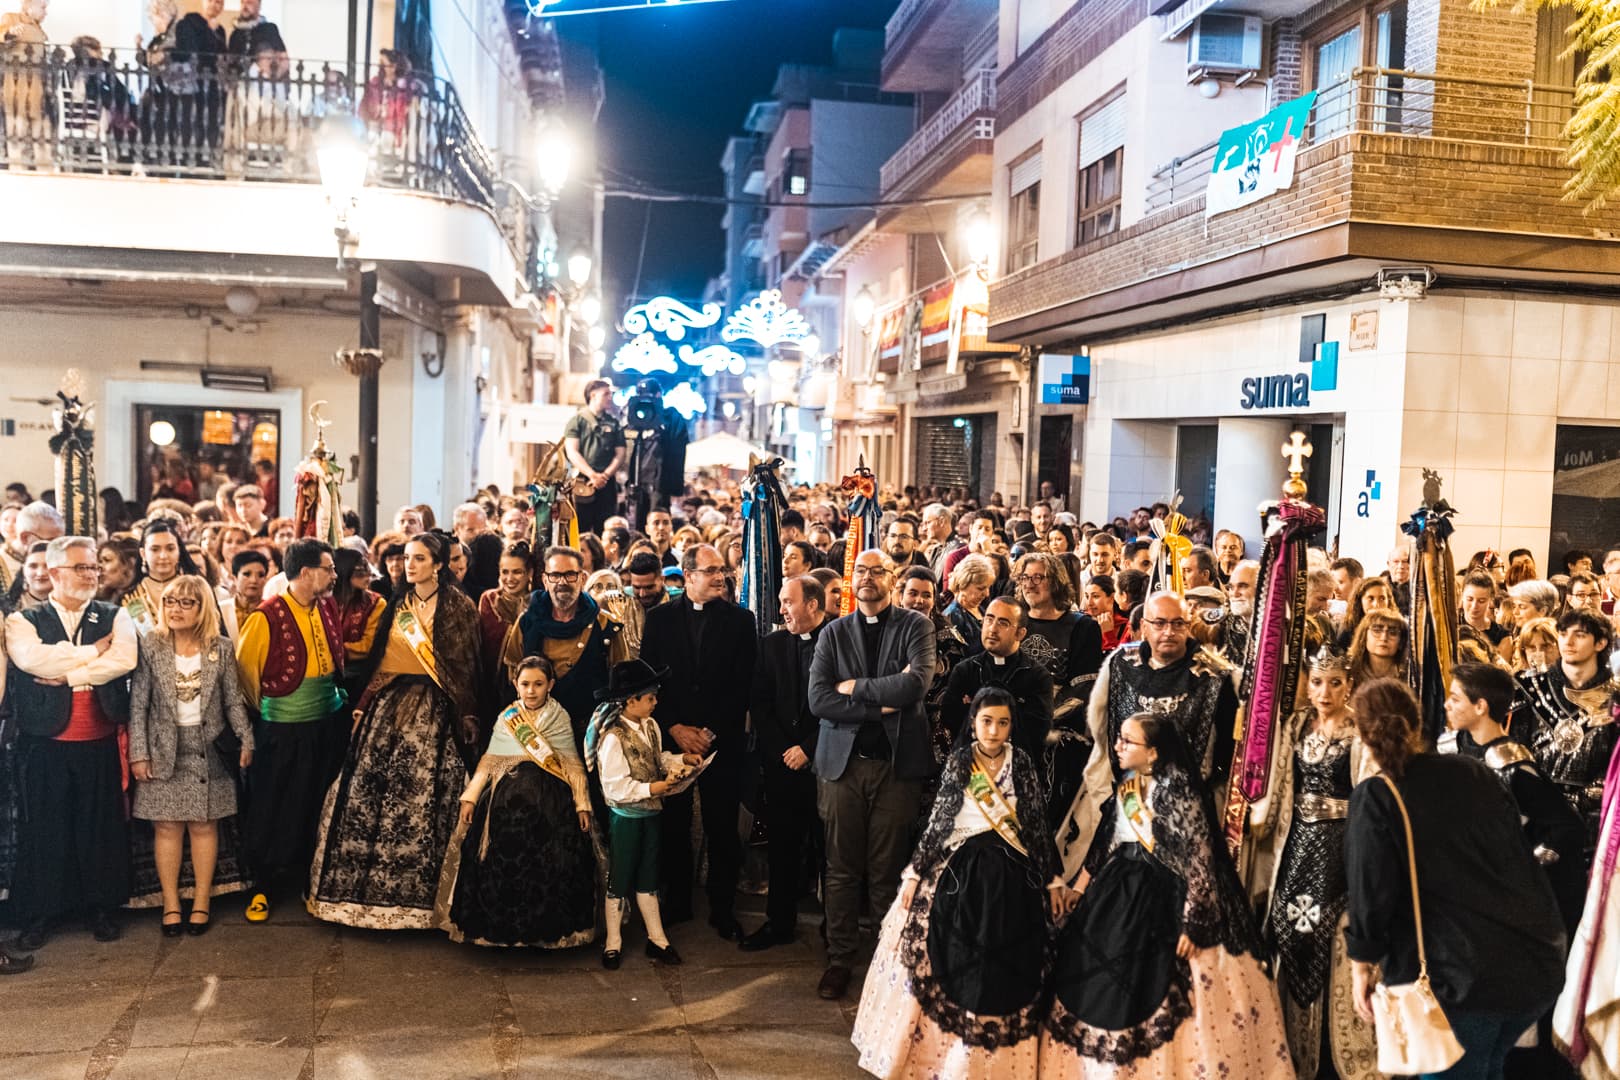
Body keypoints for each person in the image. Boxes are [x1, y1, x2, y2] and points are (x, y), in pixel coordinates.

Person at [1040, 712, 1291, 1078]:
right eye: (1119, 738)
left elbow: (1200, 861)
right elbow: (1105, 842)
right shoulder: (1129, 782)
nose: (1118, 746)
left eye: (1128, 741)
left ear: (1153, 752)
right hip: (1117, 889)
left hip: (1164, 897)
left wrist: (1193, 925)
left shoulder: (1179, 790)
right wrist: (1079, 888)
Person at [1345, 678, 1567, 1079]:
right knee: (1488, 1068)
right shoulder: (1473, 771)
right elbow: (1516, 854)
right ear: (1417, 723)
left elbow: (1370, 891)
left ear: (1361, 735)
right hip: (1532, 962)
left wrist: (1362, 964)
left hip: (1457, 981)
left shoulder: (1377, 796)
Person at [853, 688, 1065, 1079]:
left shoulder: (1020, 761)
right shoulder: (961, 761)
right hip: (959, 868)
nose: (994, 730)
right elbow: (940, 819)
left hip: (1012, 873)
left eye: (1003, 723)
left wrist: (1052, 879)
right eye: (987, 721)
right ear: (973, 723)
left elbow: (1035, 820)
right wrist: (914, 875)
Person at [307, 533, 480, 930]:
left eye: (419, 558)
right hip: (389, 704)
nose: (409, 565)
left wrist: (467, 713)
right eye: (407, 558)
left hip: (436, 709)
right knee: (368, 793)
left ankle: (426, 900)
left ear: (439, 564)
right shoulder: (398, 604)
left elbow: (466, 666)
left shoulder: (458, 606)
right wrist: (364, 703)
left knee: (425, 797)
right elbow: (382, 659)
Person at [807, 548, 936, 1001]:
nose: (866, 578)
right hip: (842, 768)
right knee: (840, 869)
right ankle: (840, 958)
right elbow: (819, 699)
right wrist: (879, 705)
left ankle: (887, 960)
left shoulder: (916, 626)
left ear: (892, 579)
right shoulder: (833, 632)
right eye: (860, 570)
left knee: (887, 871)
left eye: (876, 571)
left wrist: (855, 689)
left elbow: (916, 684)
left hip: (896, 768)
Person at [7, 536, 139, 951]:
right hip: (45, 740)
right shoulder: (23, 620)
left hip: (99, 737)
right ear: (54, 572)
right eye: (82, 567)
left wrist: (71, 675)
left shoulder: (115, 615)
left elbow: (124, 660)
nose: (91, 574)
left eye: (94, 567)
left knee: (98, 825)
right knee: (47, 827)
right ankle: (42, 912)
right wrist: (91, 652)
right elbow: (32, 660)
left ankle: (100, 907)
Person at [1252, 646, 1378, 1079]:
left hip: (1341, 844)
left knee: (1335, 933)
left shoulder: (1361, 730)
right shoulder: (1295, 725)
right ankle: (1294, 1051)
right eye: (1318, 682)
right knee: (1289, 927)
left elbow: (1368, 793)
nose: (1325, 692)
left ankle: (1338, 1055)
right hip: (1298, 843)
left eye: (1335, 683)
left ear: (1350, 686)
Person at [1060, 591, 1239, 878]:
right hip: (1125, 797)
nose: (1169, 631)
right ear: (1144, 626)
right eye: (1160, 623)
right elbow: (1102, 726)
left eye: (1178, 623)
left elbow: (1227, 749)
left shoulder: (1215, 675)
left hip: (1186, 810)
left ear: (1189, 625)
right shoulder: (1121, 662)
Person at [436, 656, 597, 948]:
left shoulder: (559, 717)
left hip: (551, 797)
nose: (531, 691)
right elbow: (489, 761)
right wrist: (470, 797)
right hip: (504, 795)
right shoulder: (507, 717)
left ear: (551, 685)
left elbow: (572, 763)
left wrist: (582, 804)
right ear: (515, 684)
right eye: (525, 684)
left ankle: (543, 928)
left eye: (538, 684)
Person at [637, 543, 757, 937]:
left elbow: (743, 684)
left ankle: (723, 909)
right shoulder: (659, 619)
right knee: (673, 824)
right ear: (688, 576)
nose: (720, 577)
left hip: (720, 741)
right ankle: (678, 903)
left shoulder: (741, 621)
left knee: (722, 827)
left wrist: (709, 733)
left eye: (722, 570)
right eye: (710, 571)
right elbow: (650, 680)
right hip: (674, 739)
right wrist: (674, 727)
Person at [128, 574, 254, 938]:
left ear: (202, 608)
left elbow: (232, 700)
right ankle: (170, 903)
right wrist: (139, 753)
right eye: (170, 601)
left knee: (204, 825)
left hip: (208, 747)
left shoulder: (221, 647)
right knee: (167, 827)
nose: (176, 609)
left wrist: (247, 739)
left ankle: (201, 901)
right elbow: (138, 705)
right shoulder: (151, 645)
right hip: (162, 749)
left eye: (186, 602)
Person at [234, 540, 345, 922]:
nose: (334, 575)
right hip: (283, 729)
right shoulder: (265, 617)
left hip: (326, 723)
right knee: (273, 804)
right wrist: (274, 712)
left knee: (316, 802)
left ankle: (307, 880)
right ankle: (263, 885)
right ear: (306, 572)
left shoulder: (327, 606)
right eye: (329, 568)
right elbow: (246, 678)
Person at [1445, 663, 1585, 934]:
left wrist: (1523, 867)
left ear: (1480, 706)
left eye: (1455, 698)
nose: (1447, 705)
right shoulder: (1450, 748)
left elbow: (1567, 828)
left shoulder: (1514, 768)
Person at [584, 659, 695, 968]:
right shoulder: (613, 738)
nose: (656, 702)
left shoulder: (651, 726)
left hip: (651, 815)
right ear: (630, 701)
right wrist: (655, 787)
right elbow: (615, 787)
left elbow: (656, 759)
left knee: (649, 876)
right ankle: (613, 941)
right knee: (619, 877)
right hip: (626, 818)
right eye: (650, 698)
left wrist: (681, 760)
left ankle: (657, 939)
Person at [741, 574, 831, 952]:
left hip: (826, 764)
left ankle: (834, 931)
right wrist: (786, 751)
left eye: (788, 602)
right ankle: (779, 923)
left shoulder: (837, 641)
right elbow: (760, 704)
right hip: (782, 765)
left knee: (829, 851)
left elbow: (844, 704)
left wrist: (808, 748)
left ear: (812, 604)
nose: (781, 610)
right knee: (782, 847)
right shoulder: (771, 644)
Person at [1511, 608, 1618, 857]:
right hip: (1534, 819)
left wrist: (1578, 803)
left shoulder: (1616, 696)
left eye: (1579, 635)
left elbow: (1616, 766)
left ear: (1600, 643)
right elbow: (1516, 751)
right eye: (1562, 633)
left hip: (1595, 822)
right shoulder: (1529, 687)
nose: (1568, 642)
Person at [516, 546, 627, 745]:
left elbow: (623, 683)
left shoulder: (605, 625)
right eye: (555, 575)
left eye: (569, 575)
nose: (562, 582)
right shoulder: (526, 622)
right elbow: (511, 675)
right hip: (538, 734)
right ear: (545, 580)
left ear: (582, 578)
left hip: (591, 733)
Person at [940, 597, 1055, 760]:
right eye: (989, 619)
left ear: (1020, 633)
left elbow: (1037, 731)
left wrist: (975, 709)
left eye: (1003, 623)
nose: (992, 629)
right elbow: (950, 719)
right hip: (971, 763)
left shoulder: (1037, 677)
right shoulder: (964, 671)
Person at [1013, 551, 1102, 727]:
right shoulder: (1013, 621)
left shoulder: (1083, 627)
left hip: (1061, 725)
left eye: (1038, 577)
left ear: (1056, 582)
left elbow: (1083, 688)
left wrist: (1042, 718)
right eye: (1025, 577)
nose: (1029, 584)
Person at [476, 541, 531, 734]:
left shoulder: (537, 602)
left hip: (528, 688)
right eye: (504, 572)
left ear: (529, 573)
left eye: (517, 572)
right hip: (491, 687)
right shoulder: (489, 600)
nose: (510, 578)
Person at [453, 502, 505, 602]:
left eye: (482, 530)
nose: (477, 534)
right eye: (471, 530)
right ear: (457, 529)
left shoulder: (492, 546)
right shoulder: (448, 553)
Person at [943, 553, 993, 654]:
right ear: (963, 584)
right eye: (981, 588)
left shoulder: (982, 609)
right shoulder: (952, 616)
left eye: (988, 588)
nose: (986, 594)